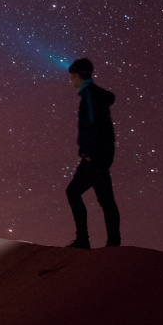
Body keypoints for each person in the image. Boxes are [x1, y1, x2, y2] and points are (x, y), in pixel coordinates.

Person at [64, 58, 121, 248]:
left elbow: (93, 123)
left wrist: (88, 152)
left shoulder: (89, 94)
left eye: (71, 76)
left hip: (94, 157)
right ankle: (113, 243)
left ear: (76, 75)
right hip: (101, 155)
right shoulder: (94, 94)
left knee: (73, 192)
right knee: (106, 200)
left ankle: (83, 239)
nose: (70, 81)